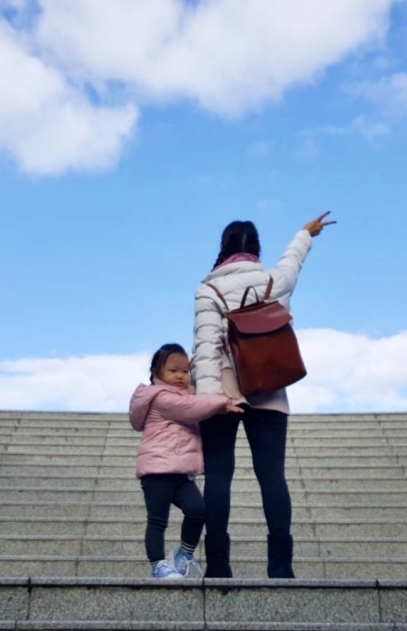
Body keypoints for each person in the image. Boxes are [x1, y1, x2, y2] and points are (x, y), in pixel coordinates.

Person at [192, 212, 336, 578]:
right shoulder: (274, 280)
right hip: (270, 387)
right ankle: (281, 567)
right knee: (272, 477)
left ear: (222, 249)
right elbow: (292, 263)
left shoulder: (208, 290)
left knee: (219, 477)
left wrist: (213, 398)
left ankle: (219, 567)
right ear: (255, 248)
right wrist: (305, 233)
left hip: (224, 392)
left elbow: (206, 347)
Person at [129, 343, 244, 579]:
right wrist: (222, 401)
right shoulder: (159, 396)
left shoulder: (187, 394)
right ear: (156, 373)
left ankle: (184, 555)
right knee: (157, 521)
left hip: (181, 474)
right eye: (173, 371)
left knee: (199, 510)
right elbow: (190, 408)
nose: (181, 376)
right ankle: (158, 565)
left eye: (185, 370)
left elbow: (198, 402)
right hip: (157, 471)